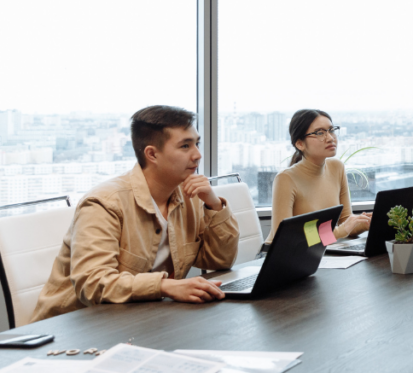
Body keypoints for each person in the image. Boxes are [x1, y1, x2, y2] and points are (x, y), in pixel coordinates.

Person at [32, 106, 240, 322]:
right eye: (185, 146)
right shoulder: (104, 203)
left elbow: (220, 261)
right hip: (74, 329)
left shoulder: (190, 196)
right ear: (152, 154)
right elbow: (92, 284)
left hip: (140, 319)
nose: (197, 155)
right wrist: (165, 286)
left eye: (197, 144)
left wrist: (214, 205)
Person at [264, 109, 371, 246]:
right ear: (300, 144)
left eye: (331, 130)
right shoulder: (286, 179)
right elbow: (286, 241)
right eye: (319, 133)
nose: (330, 138)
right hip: (281, 259)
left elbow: (345, 224)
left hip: (320, 254)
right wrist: (339, 232)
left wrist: (365, 223)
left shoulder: (337, 167)